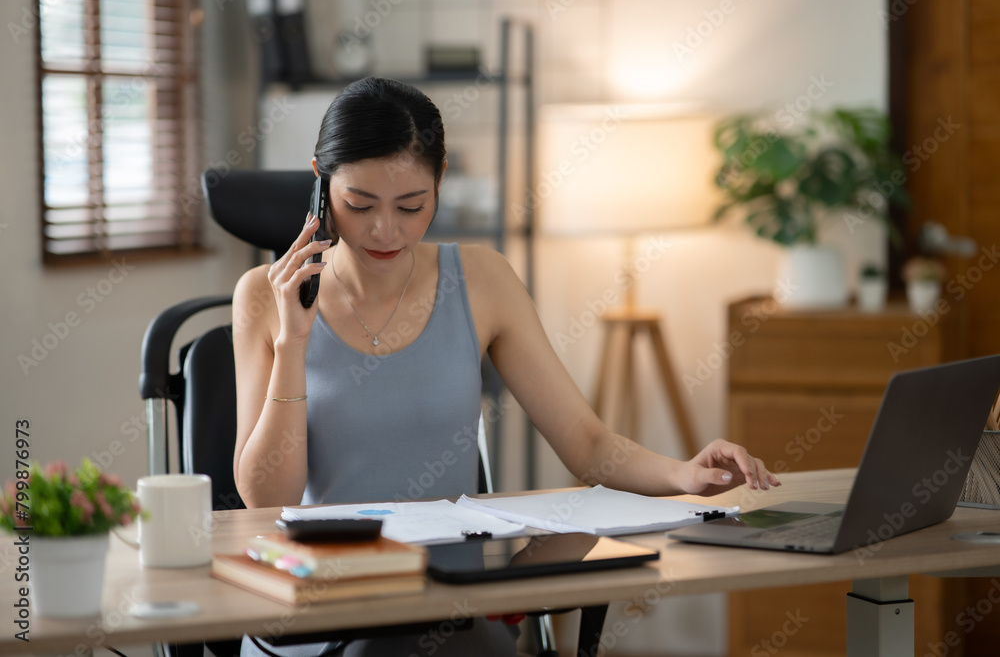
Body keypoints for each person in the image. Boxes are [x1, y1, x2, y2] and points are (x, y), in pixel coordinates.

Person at [232, 77, 779, 657]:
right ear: (321, 182)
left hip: (450, 611)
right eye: (358, 204)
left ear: (440, 178)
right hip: (321, 615)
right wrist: (295, 342)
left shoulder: (483, 280)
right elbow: (268, 497)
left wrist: (683, 477)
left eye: (412, 205)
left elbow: (587, 442)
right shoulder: (264, 298)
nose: (385, 230)